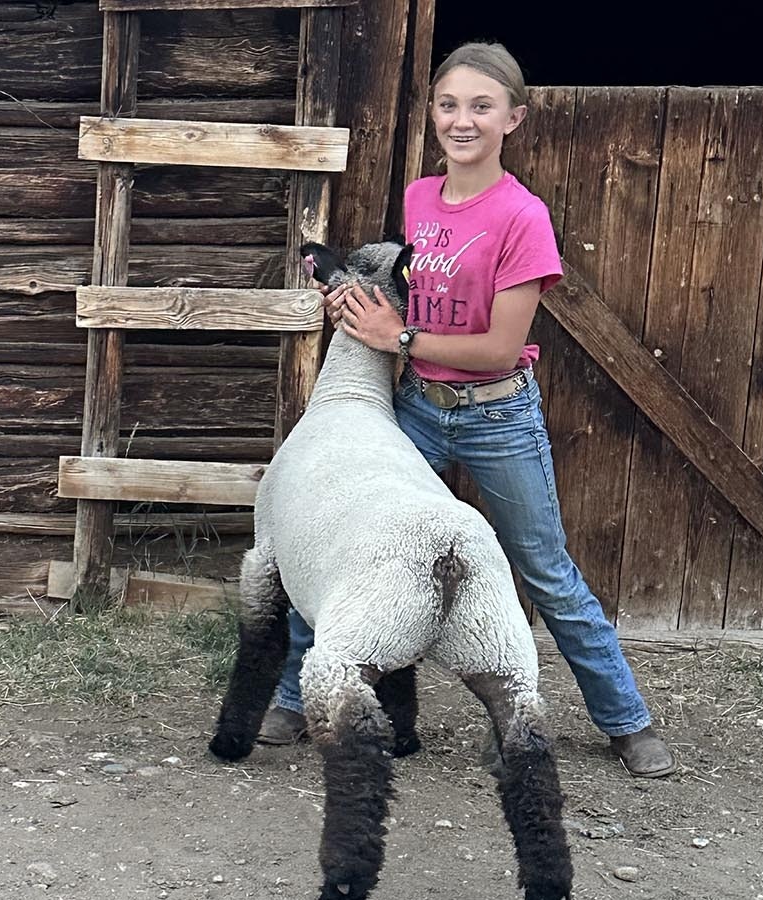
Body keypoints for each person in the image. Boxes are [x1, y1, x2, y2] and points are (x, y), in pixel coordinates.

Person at [257, 42, 676, 778]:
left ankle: (625, 720)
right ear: (432, 114)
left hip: (496, 415)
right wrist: (358, 308)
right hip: (415, 408)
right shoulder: (421, 200)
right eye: (449, 105)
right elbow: (413, 301)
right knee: (338, 540)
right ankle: (295, 696)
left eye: (481, 107)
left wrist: (400, 336)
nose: (462, 120)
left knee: (544, 571)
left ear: (513, 117)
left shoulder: (523, 217)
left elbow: (499, 344)